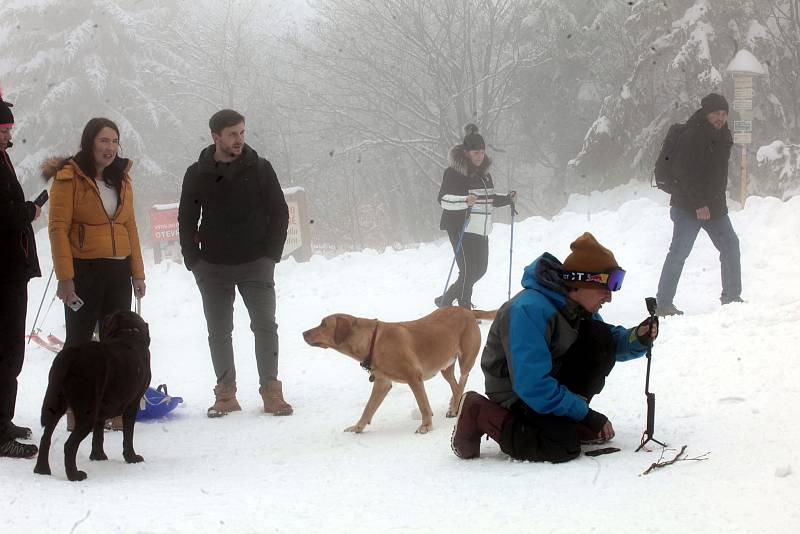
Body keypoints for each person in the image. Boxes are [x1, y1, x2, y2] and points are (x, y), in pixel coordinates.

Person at [450, 232, 659, 462]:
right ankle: (480, 412)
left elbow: (608, 341)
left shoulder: (574, 306)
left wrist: (636, 337)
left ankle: (563, 419)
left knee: (598, 337)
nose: (609, 297)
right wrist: (585, 414)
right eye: (606, 288)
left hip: (546, 381)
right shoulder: (528, 310)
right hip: (515, 391)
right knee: (560, 446)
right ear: (581, 282)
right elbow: (531, 384)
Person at [178, 109, 292, 418]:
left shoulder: (260, 168)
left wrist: (271, 254)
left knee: (266, 326)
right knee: (219, 331)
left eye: (242, 132)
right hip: (212, 266)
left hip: (256, 262)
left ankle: (271, 391)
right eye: (232, 134)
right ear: (216, 137)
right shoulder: (197, 172)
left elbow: (279, 212)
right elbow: (186, 217)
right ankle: (225, 394)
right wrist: (193, 259)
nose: (239, 139)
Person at [45, 118, 146, 430]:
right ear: (90, 142)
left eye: (115, 141)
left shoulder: (122, 181)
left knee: (116, 344)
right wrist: (65, 276)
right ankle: (75, 409)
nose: (110, 147)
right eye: (104, 140)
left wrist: (137, 273)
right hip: (84, 270)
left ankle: (112, 408)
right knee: (78, 343)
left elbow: (130, 226)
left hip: (118, 269)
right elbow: (57, 229)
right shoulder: (68, 178)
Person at [655, 93, 741, 316]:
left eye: (723, 114)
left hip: (715, 206)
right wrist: (699, 204)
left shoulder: (723, 135)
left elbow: (715, 174)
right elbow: (683, 173)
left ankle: (732, 297)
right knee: (679, 253)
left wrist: (713, 204)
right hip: (688, 206)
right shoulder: (693, 135)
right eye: (715, 113)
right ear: (706, 113)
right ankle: (663, 304)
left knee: (730, 245)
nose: (720, 118)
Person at [0, 91, 41, 459]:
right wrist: (27, 211)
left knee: (11, 349)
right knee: (5, 350)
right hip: (3, 272)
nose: (7, 135)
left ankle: (3, 419)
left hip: (12, 269)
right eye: (2, 129)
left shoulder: (3, 157)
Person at [435, 124, 516, 309]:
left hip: (480, 228)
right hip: (459, 226)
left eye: (482, 152)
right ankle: (464, 309)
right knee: (468, 270)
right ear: (466, 153)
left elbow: (490, 199)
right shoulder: (454, 173)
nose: (479, 156)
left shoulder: (484, 175)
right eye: (475, 152)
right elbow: (443, 199)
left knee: (480, 269)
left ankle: (446, 299)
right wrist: (465, 201)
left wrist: (507, 199)